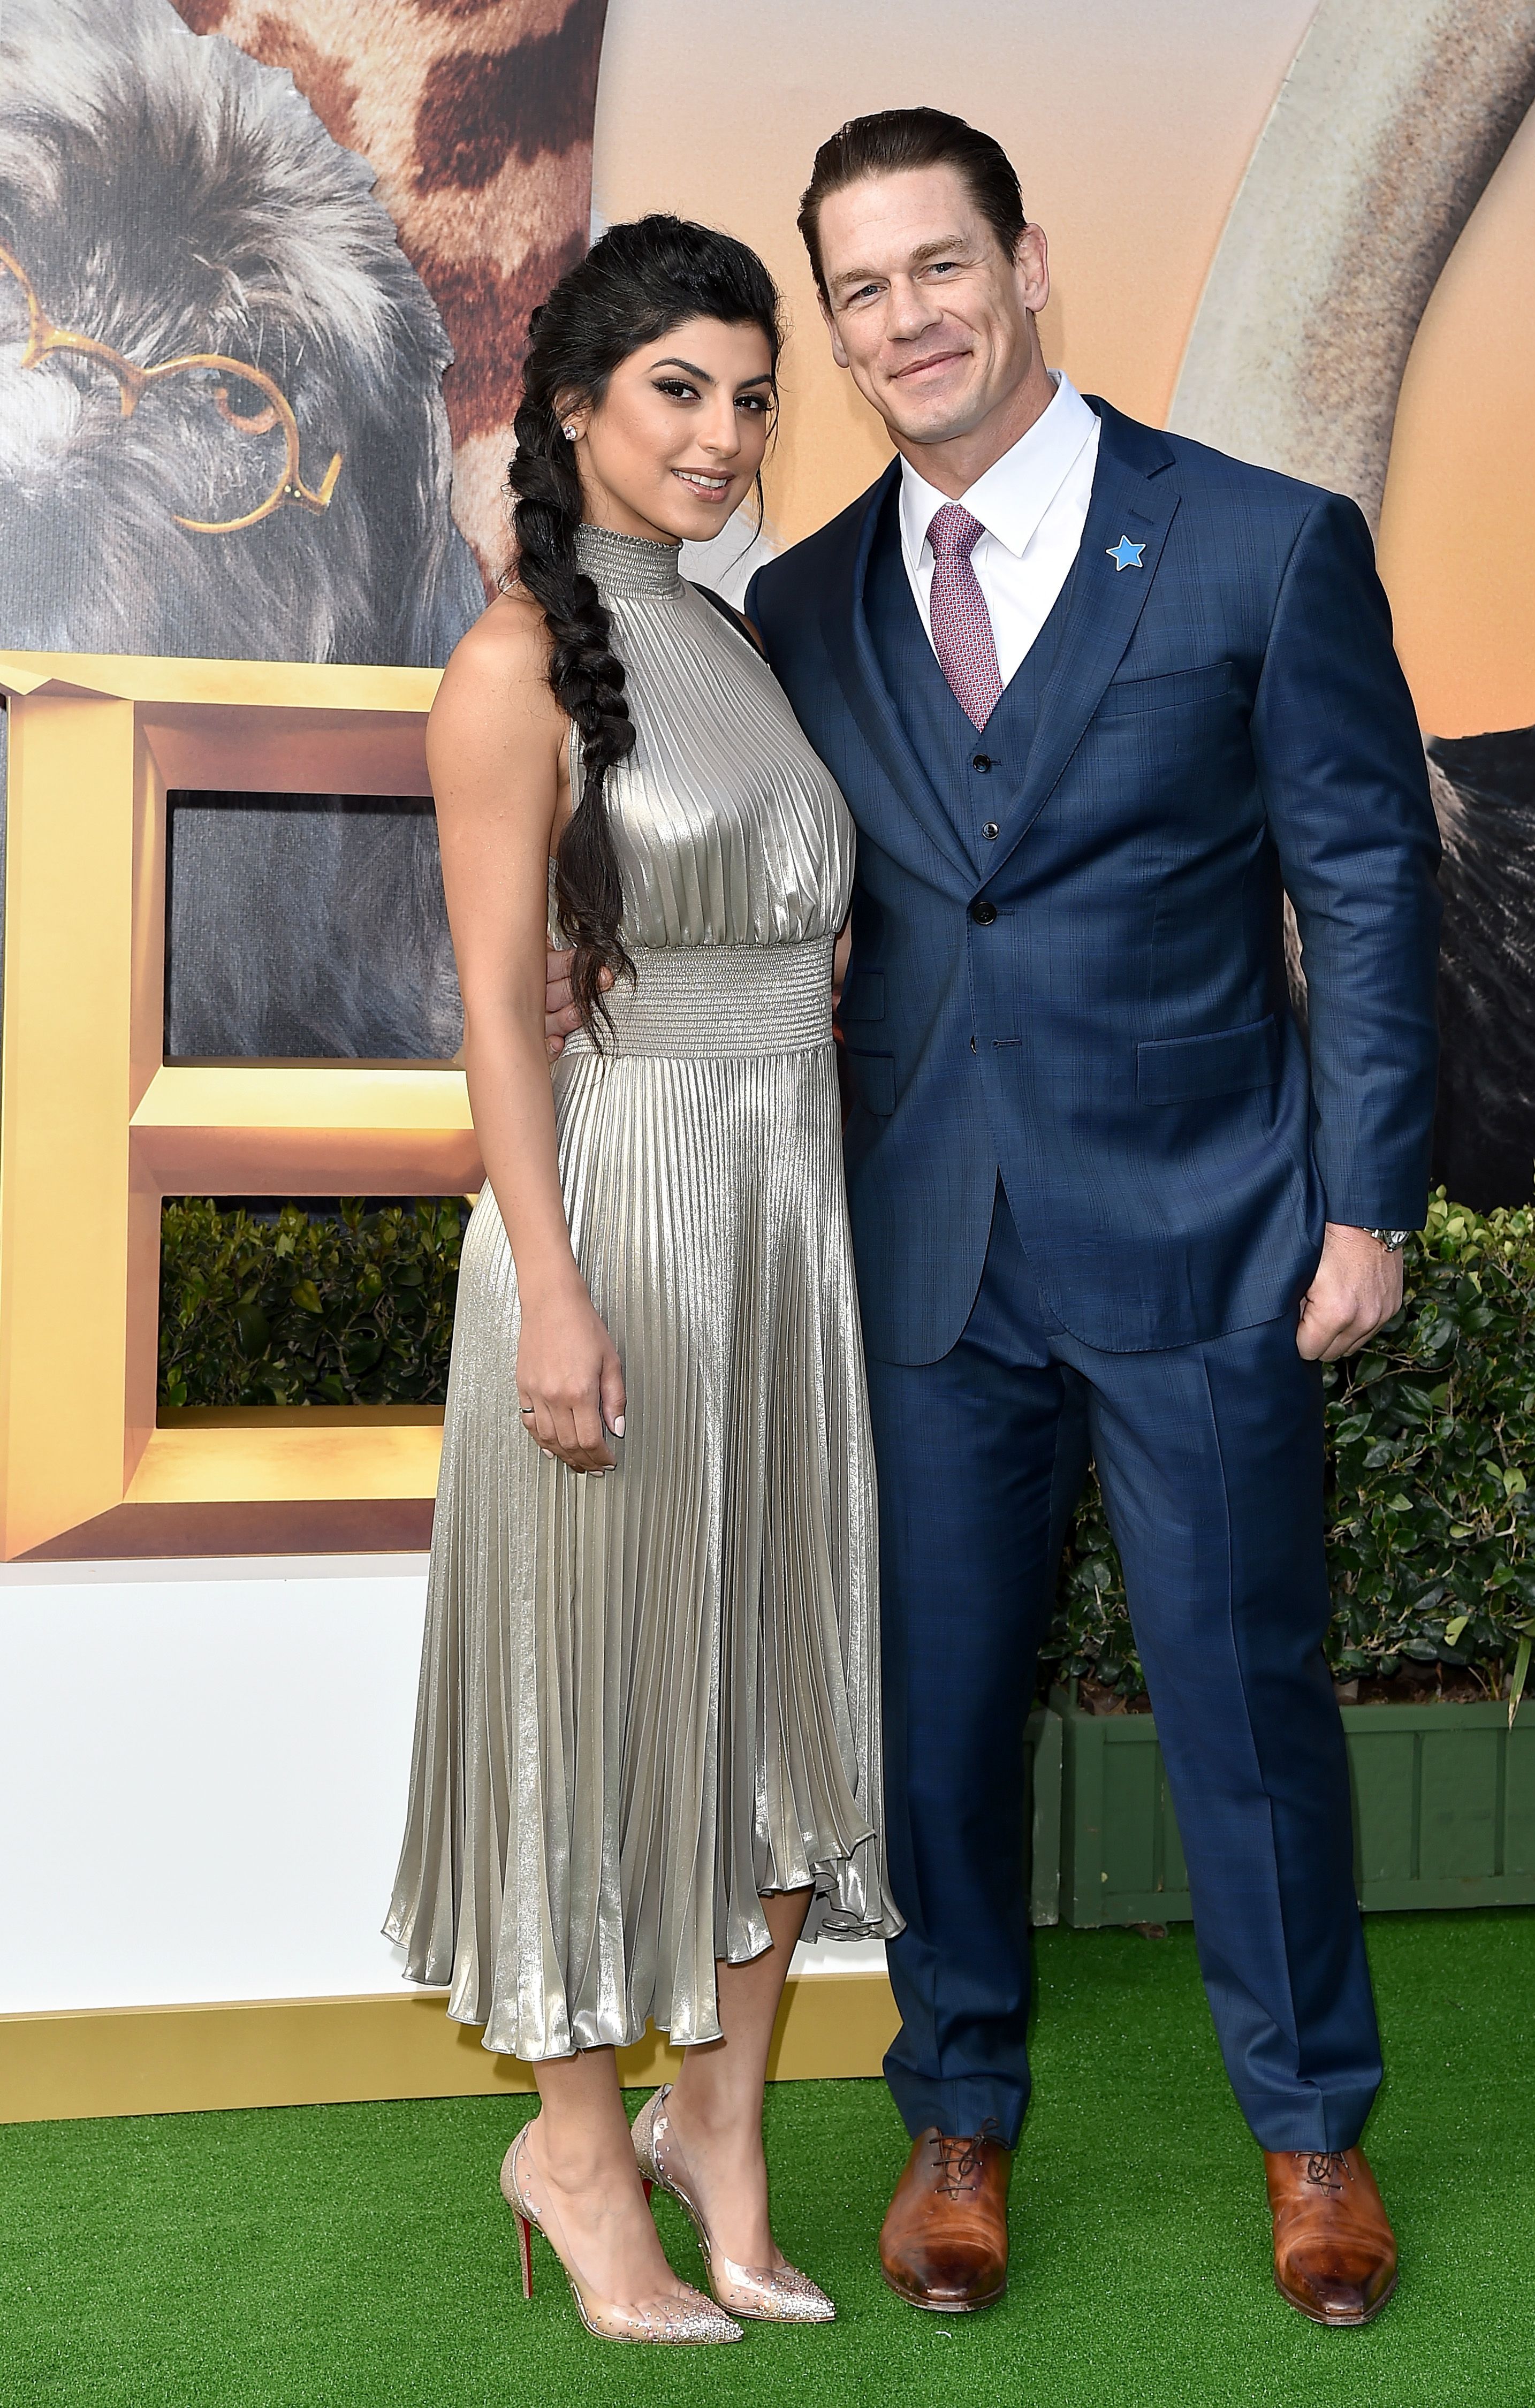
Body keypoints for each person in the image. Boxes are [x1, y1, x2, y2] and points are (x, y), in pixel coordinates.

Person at [743, 110, 1441, 2326]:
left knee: (1245, 1711)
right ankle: (954, 2114)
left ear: (1025, 263)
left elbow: (1363, 882)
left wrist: (1365, 1204)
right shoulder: (800, 602)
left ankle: (1310, 2140)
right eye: (857, 291)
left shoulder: (1253, 546)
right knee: (934, 1716)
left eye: (936, 267)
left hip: (1211, 1234)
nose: (903, 321)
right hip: (921, 1256)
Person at [386, 214, 895, 2348]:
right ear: (574, 404)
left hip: (785, 1237)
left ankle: (727, 2134)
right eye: (678, 388)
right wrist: (562, 1293)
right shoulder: (511, 657)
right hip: (615, 1232)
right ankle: (576, 2153)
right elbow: (502, 1009)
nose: (723, 432)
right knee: (598, 1717)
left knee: (771, 1696)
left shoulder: (736, 634)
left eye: (752, 392)